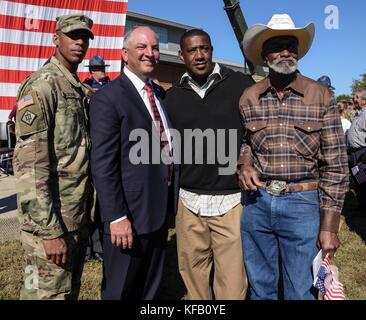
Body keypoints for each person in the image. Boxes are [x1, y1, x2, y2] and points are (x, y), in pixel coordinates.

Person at [238, 13, 349, 300]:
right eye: (277, 46)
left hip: (303, 204)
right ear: (264, 56)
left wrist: (329, 227)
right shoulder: (249, 97)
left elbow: (336, 167)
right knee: (260, 288)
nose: (286, 52)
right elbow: (246, 141)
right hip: (257, 203)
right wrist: (245, 162)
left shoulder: (320, 95)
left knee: (301, 290)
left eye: (291, 45)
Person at [164, 29, 254, 300]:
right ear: (182, 56)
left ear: (212, 49)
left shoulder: (240, 84)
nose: (199, 55)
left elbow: (253, 133)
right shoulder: (172, 97)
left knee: (233, 284)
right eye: (192, 50)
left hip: (230, 200)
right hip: (189, 201)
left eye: (204, 48)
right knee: (194, 281)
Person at [89, 26, 178, 300]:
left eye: (154, 47)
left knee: (149, 289)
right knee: (121, 290)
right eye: (142, 47)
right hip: (128, 217)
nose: (150, 53)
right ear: (125, 54)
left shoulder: (159, 95)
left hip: (158, 212)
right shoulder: (109, 97)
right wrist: (116, 217)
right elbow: (103, 164)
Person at [13, 14, 94, 299]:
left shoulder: (76, 89)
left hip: (75, 218)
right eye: (73, 35)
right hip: (51, 224)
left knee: (67, 292)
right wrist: (49, 232)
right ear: (56, 38)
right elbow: (29, 168)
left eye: (84, 37)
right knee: (43, 295)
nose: (80, 42)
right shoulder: (42, 86)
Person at [347, 89, 366, 209]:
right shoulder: (359, 114)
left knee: (364, 180)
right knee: (358, 179)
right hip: (354, 153)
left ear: (365, 100)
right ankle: (362, 204)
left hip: (362, 152)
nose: (355, 99)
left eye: (357, 97)